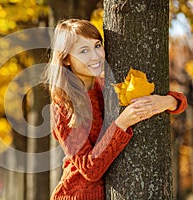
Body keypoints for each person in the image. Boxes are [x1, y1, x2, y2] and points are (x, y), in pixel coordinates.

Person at [42, 18, 188, 200]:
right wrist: (122, 122)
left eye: (97, 45)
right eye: (84, 51)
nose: (95, 56)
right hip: (78, 195)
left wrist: (168, 102)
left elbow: (180, 101)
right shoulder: (63, 107)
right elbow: (90, 169)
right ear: (66, 59)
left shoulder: (106, 86)